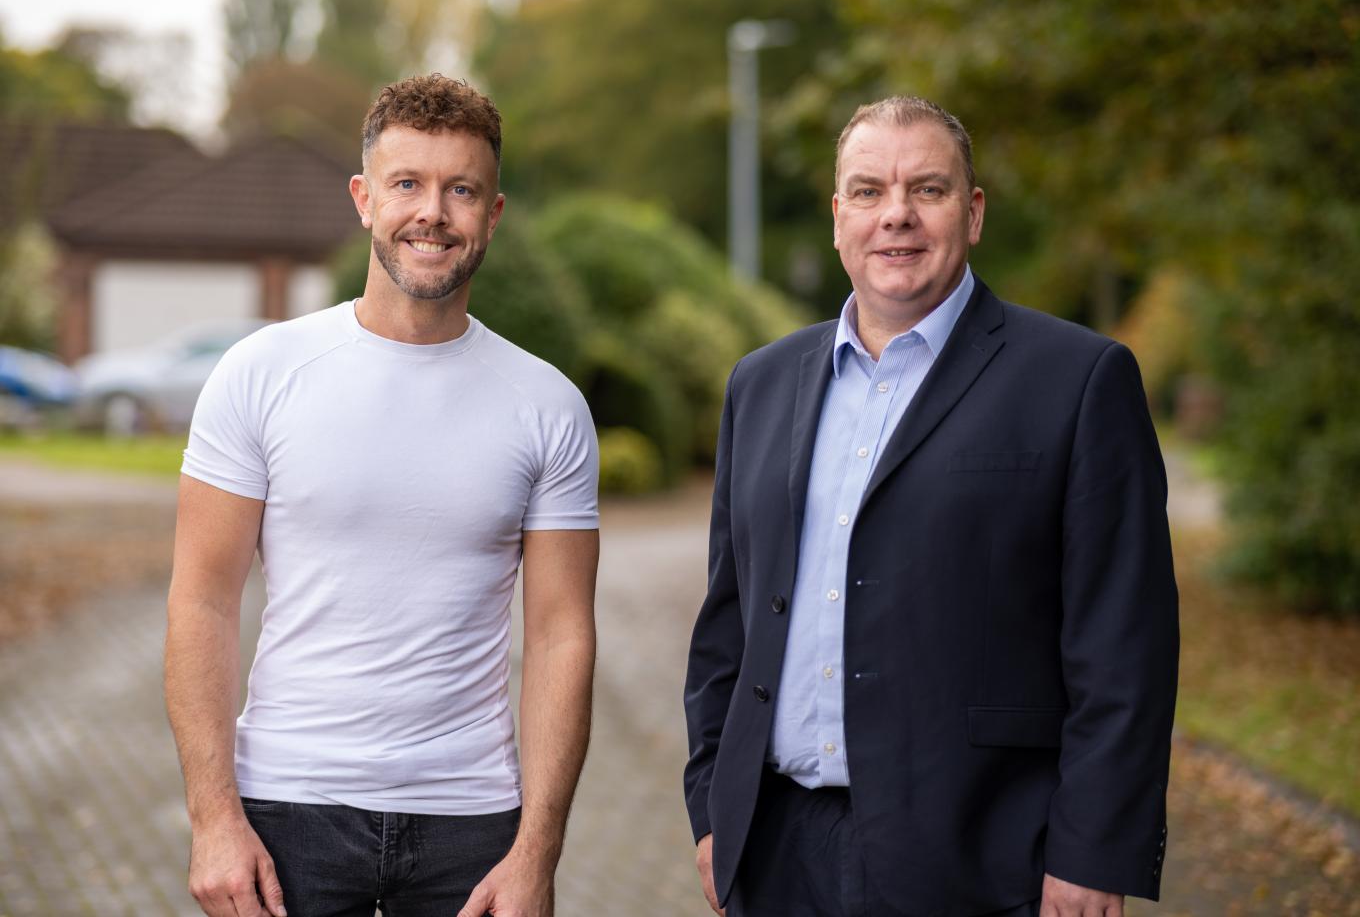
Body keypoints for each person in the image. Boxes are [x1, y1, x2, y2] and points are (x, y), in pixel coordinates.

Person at [683, 96, 1178, 917]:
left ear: (973, 212)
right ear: (839, 217)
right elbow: (727, 624)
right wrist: (712, 807)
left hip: (981, 855)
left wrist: (1093, 852)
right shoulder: (760, 383)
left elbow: (1124, 646)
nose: (897, 217)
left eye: (929, 190)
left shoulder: (1078, 381)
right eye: (870, 192)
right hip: (773, 852)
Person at [165, 74, 599, 917]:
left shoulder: (548, 405)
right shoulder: (260, 375)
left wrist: (537, 853)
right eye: (408, 184)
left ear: (493, 213)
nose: (432, 211)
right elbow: (202, 602)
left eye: (460, 189)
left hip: (472, 824)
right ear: (365, 199)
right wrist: (213, 819)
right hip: (287, 811)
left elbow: (560, 634)